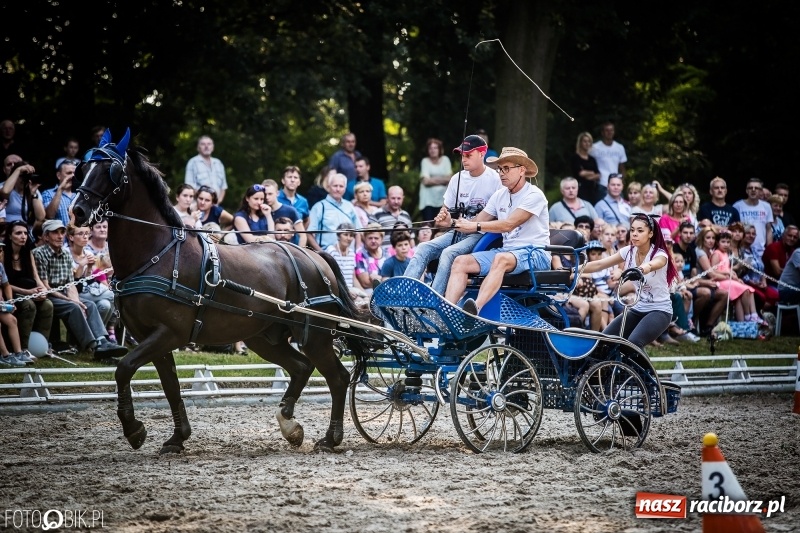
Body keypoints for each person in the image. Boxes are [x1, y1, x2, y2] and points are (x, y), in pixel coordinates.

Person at [445, 147, 550, 313]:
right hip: (507, 252)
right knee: (460, 262)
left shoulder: (534, 195)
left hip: (535, 253)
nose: (501, 173)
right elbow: (475, 223)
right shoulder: (499, 195)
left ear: (521, 170)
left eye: (506, 168)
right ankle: (447, 313)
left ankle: (473, 310)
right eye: (500, 169)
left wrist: (475, 225)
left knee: (501, 259)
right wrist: (450, 222)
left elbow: (509, 224)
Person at [403, 135, 502, 295]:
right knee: (423, 247)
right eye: (462, 155)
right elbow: (445, 213)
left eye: (468, 155)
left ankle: (433, 302)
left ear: (482, 154)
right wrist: (444, 219)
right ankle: (403, 296)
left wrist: (454, 223)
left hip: (480, 234)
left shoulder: (495, 180)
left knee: (449, 253)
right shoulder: (457, 178)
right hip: (457, 231)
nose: (464, 159)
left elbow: (489, 218)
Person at [33, 219, 128, 360]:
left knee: (88, 305)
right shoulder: (39, 254)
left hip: (65, 293)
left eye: (61, 232)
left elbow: (70, 284)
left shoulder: (64, 254)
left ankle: (103, 341)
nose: (60, 236)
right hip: (49, 295)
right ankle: (95, 346)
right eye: (55, 233)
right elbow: (46, 287)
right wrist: (73, 302)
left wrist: (77, 300)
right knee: (74, 307)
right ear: (46, 236)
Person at [579, 213, 677, 348]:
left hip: (660, 311)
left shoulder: (660, 255)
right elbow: (599, 264)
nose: (634, 234)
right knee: (605, 342)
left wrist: (637, 270)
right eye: (632, 230)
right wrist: (572, 270)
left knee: (633, 344)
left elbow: (652, 265)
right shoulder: (628, 251)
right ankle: (613, 368)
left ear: (650, 234)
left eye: (640, 230)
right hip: (638, 308)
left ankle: (637, 369)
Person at [3, 220, 53, 354]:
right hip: (10, 292)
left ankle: (43, 345)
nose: (23, 236)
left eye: (25, 233)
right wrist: (27, 292)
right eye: (18, 233)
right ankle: (24, 348)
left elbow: (36, 276)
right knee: (28, 305)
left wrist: (42, 290)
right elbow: (4, 284)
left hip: (29, 290)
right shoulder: (3, 253)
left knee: (47, 305)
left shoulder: (27, 252)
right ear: (9, 236)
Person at [66, 224, 116, 328]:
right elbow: (75, 285)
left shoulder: (87, 252)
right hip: (73, 293)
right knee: (114, 295)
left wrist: (89, 267)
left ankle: (97, 336)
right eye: (80, 234)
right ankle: (100, 335)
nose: (85, 237)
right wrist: (81, 265)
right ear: (71, 237)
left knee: (105, 305)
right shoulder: (66, 253)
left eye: (87, 234)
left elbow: (88, 279)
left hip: (87, 289)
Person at [307, 173, 362, 252]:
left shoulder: (349, 206)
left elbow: (358, 232)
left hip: (349, 255)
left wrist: (357, 252)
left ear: (345, 188)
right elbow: (309, 233)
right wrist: (321, 253)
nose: (338, 189)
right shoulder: (319, 207)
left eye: (341, 186)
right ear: (329, 187)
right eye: (335, 186)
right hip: (327, 256)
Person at [733, 177, 773, 257]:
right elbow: (734, 229)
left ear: (761, 191)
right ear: (746, 191)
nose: (753, 190)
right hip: (742, 249)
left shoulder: (766, 206)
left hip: (761, 251)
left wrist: (769, 250)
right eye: (750, 188)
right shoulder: (737, 206)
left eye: (756, 188)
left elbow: (768, 230)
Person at [1, 156, 46, 226]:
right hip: (9, 229)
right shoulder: (4, 186)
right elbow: (5, 192)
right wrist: (18, 170)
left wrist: (34, 194)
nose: (23, 179)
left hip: (26, 230)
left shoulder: (32, 189)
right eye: (21, 176)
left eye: (26, 176)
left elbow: (41, 217)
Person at [261, 179, 306, 247]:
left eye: (270, 194)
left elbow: (303, 235)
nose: (267, 197)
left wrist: (300, 254)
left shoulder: (290, 210)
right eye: (265, 194)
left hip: (290, 251)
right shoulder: (258, 212)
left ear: (277, 193)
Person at [184, 135, 228, 205]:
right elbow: (189, 187)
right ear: (198, 148)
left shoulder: (218, 163)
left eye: (209, 144)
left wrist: (217, 201)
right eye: (203, 144)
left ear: (213, 147)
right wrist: (205, 200)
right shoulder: (193, 162)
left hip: (215, 206)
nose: (206, 146)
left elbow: (223, 187)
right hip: (198, 207)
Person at [418, 138, 452, 223]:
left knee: (441, 225)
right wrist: (442, 180)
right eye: (430, 148)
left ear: (439, 149)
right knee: (428, 225)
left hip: (442, 200)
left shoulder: (445, 160)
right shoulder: (425, 161)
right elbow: (425, 181)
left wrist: (432, 179)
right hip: (427, 200)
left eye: (435, 148)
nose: (433, 150)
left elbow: (450, 179)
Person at [590, 121, 627, 200]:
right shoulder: (595, 148)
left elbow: (622, 167)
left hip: (616, 184)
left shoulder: (619, 147)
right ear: (602, 132)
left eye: (611, 130)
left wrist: (622, 180)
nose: (609, 132)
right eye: (607, 130)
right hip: (601, 184)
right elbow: (588, 163)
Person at [371, 185, 412, 249]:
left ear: (403, 198)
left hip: (403, 254)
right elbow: (370, 236)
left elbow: (411, 238)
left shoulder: (406, 215)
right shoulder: (376, 214)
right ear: (387, 198)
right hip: (383, 254)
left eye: (399, 198)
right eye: (393, 198)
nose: (396, 201)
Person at [570, 131, 601, 204]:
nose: (587, 143)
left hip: (592, 190)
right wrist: (591, 172)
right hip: (580, 189)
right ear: (580, 143)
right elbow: (580, 173)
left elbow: (598, 175)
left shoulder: (592, 159)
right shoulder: (575, 158)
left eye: (589, 141)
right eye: (585, 141)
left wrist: (587, 175)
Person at [354, 224, 385, 290]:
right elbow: (365, 282)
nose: (373, 241)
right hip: (369, 291)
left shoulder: (386, 253)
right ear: (365, 238)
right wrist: (386, 279)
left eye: (376, 238)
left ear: (382, 239)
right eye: (370, 238)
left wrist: (377, 278)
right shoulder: (360, 254)